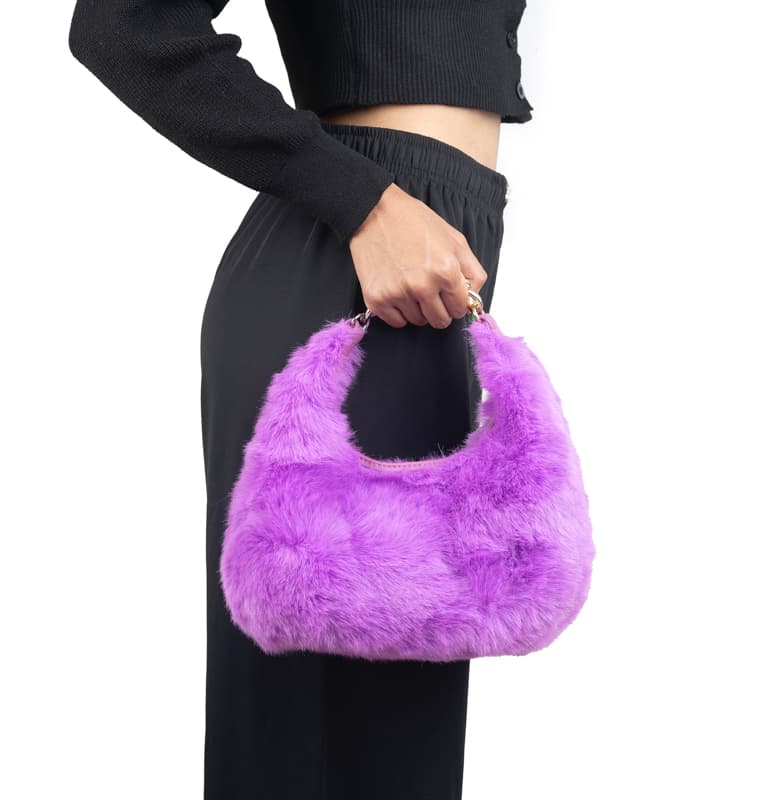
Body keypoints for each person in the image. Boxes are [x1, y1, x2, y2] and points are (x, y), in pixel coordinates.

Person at [68, 1, 533, 797]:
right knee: (317, 735)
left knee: (393, 731)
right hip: (346, 279)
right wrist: (369, 202)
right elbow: (123, 26)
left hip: (421, 274)